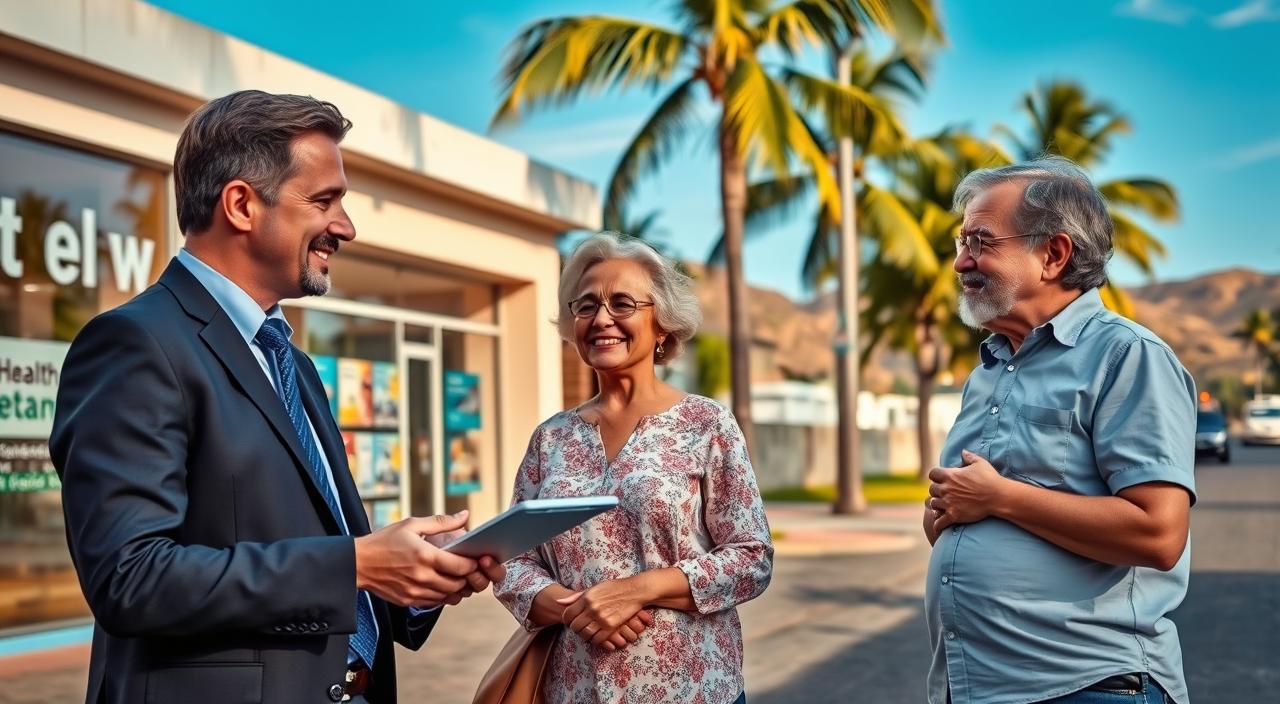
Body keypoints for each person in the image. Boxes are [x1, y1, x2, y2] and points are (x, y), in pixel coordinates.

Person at [50, 90, 504, 704]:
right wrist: (354, 564)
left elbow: (311, 544)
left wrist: (419, 575)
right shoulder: (134, 343)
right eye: (324, 201)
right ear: (240, 204)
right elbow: (130, 578)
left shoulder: (293, 362)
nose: (344, 226)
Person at [922, 156, 1195, 704]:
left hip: (1089, 686)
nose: (961, 263)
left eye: (980, 241)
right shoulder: (988, 370)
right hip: (977, 685)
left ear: (1053, 254)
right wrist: (948, 521)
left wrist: (999, 499)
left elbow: (1159, 534)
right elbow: (978, 505)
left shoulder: (1126, 356)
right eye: (961, 242)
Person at [492, 232, 773, 704]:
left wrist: (636, 591)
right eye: (585, 306)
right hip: (575, 690)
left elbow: (751, 558)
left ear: (662, 324)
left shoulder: (705, 423)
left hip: (693, 689)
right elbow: (513, 559)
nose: (601, 319)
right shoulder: (551, 438)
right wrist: (576, 609)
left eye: (622, 303)